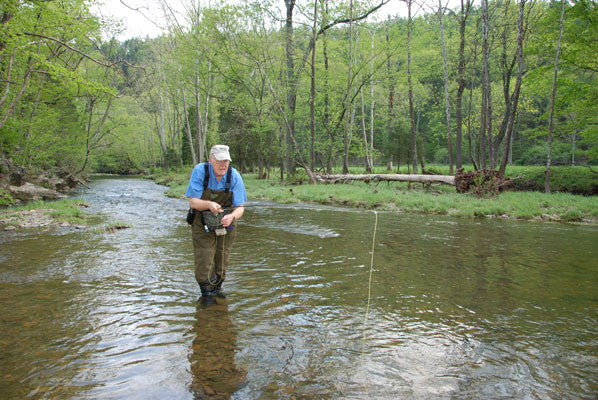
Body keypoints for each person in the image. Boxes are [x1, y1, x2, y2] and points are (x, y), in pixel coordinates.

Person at [186, 144, 247, 299]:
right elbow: (193, 201)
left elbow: (240, 208)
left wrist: (232, 216)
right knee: (204, 257)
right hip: (202, 221)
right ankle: (206, 293)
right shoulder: (200, 171)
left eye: (226, 161)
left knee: (222, 258)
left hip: (227, 222)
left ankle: (217, 289)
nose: (223, 165)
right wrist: (208, 205)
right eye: (220, 161)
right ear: (211, 160)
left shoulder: (235, 176)